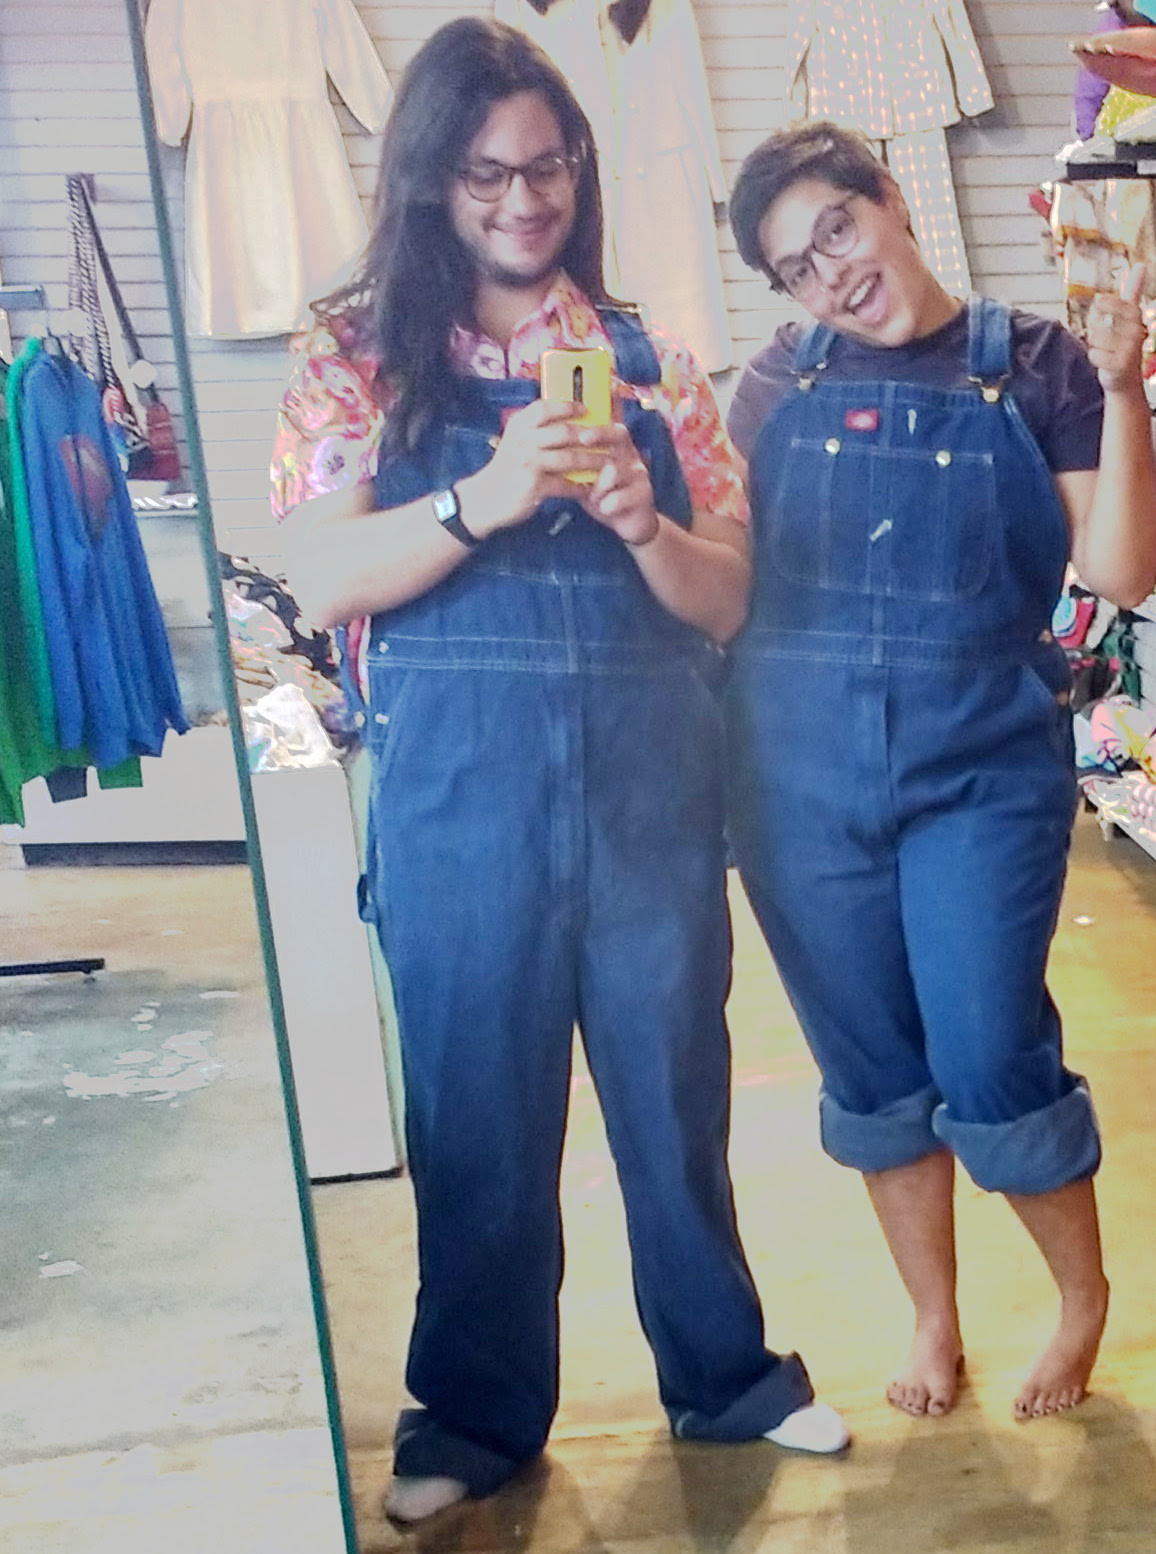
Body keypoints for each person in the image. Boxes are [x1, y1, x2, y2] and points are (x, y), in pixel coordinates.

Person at [270, 20, 847, 1523]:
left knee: (677, 1099)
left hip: (650, 800)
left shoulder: (651, 360)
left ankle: (724, 1375)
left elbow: (728, 599)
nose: (524, 200)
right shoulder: (354, 359)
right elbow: (322, 575)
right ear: (429, 178)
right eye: (487, 174)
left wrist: (646, 524)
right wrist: (484, 495)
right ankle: (471, 1418)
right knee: (477, 1117)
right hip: (459, 809)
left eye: (548, 167)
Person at [723, 122, 1156, 1422]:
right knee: (872, 1067)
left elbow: (1122, 570)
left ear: (891, 199)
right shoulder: (771, 387)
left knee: (986, 1048)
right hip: (799, 784)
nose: (834, 275)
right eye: (799, 268)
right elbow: (724, 580)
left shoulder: (1035, 365)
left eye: (839, 229)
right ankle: (934, 1316)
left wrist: (1128, 392)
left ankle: (1080, 1298)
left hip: (981, 771)